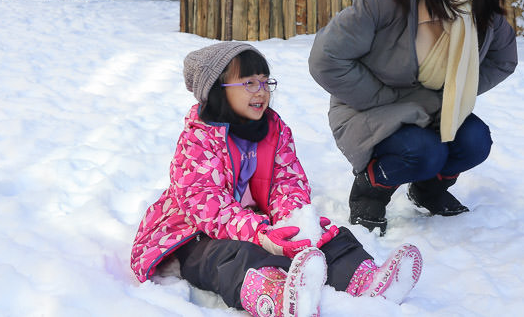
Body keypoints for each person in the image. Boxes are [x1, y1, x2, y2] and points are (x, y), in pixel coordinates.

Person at [130, 42, 423, 317]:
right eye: (249, 83)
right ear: (218, 89)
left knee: (320, 234)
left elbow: (289, 180)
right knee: (233, 255)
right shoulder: (199, 136)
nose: (261, 91)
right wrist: (257, 233)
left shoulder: (274, 129)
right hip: (197, 231)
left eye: (265, 81)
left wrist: (291, 221)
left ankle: (364, 278)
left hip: (259, 221)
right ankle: (276, 293)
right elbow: (203, 202)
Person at [309, 0, 518, 235]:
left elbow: (503, 60)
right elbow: (326, 59)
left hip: (436, 107)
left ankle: (429, 190)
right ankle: (370, 192)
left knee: (475, 140)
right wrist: (388, 100)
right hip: (369, 109)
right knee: (423, 152)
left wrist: (457, 92)